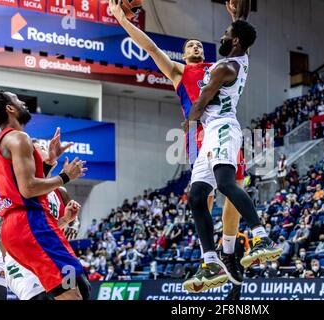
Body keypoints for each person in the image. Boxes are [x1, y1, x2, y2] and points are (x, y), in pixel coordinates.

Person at [109, 0, 251, 291]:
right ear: (184, 54)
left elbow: (241, 40)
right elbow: (150, 48)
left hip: (225, 127)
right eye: (190, 45)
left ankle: (228, 250)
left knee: (235, 186)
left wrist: (236, 16)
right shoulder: (178, 72)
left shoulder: (219, 66)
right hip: (198, 133)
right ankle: (209, 259)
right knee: (204, 195)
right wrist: (123, 21)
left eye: (199, 44)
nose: (196, 46)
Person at [181, 20, 282, 293]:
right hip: (212, 136)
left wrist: (188, 126)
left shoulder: (225, 67)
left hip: (223, 128)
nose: (222, 37)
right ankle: (210, 261)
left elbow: (200, 104)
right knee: (197, 196)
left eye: (227, 35)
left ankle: (262, 238)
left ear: (235, 40)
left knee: (226, 184)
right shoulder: (242, 56)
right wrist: (237, 10)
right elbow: (243, 20)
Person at [0, 91, 87, 300]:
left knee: (73, 285)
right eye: (18, 101)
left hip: (18, 225)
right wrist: (66, 176)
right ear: (10, 109)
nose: (23, 103)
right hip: (30, 221)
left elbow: (22, 187)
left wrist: (49, 162)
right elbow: (28, 189)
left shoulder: (5, 141)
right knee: (71, 292)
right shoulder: (18, 137)